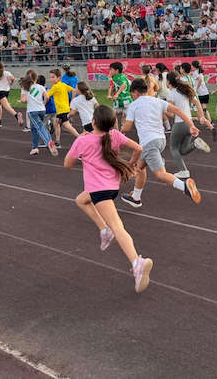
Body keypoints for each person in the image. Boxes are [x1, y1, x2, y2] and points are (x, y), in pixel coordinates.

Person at [64, 105, 153, 293]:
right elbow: (138, 148)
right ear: (112, 123)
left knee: (118, 227)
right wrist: (130, 166)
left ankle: (137, 262)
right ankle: (104, 231)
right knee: (81, 200)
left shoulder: (84, 141)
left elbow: (67, 164)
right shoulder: (115, 136)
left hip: (100, 191)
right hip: (111, 186)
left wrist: (79, 145)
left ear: (93, 122)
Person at [122, 78, 202, 207]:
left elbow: (127, 128)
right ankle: (136, 197)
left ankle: (184, 186)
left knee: (161, 174)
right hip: (161, 140)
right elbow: (178, 111)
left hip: (149, 142)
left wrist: (120, 129)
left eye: (132, 94)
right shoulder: (157, 101)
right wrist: (191, 125)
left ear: (135, 92)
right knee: (139, 167)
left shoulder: (134, 105)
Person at [165, 72, 212, 179]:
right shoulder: (184, 91)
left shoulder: (171, 94)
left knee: (173, 148)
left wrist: (163, 109)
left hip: (179, 124)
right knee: (182, 150)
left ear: (168, 82)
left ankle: (183, 170)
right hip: (189, 124)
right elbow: (197, 103)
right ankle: (195, 144)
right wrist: (201, 116)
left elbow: (171, 114)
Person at [19, 73, 57, 156]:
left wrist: (21, 101)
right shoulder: (40, 87)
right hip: (42, 110)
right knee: (34, 128)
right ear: (36, 79)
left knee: (39, 127)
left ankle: (49, 141)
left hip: (33, 111)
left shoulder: (25, 87)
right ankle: (35, 148)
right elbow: (47, 97)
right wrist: (43, 104)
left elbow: (23, 100)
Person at [47, 68, 80, 148]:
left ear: (59, 78)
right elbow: (74, 90)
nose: (51, 79)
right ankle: (57, 142)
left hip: (62, 110)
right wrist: (72, 100)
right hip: (64, 109)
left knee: (67, 126)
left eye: (53, 77)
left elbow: (47, 95)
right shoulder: (63, 85)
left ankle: (80, 138)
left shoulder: (55, 87)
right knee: (56, 123)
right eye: (50, 77)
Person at [0, 62, 20, 128]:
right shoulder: (7, 72)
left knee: (6, 106)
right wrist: (11, 83)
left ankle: (16, 115)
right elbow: (12, 78)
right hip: (6, 91)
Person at [107, 62, 132, 128]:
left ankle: (119, 131)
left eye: (111, 70)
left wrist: (116, 94)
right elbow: (111, 86)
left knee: (113, 116)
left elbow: (123, 85)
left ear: (117, 70)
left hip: (122, 100)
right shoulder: (118, 77)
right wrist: (109, 94)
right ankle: (121, 132)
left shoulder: (119, 78)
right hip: (126, 100)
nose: (110, 71)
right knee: (123, 118)